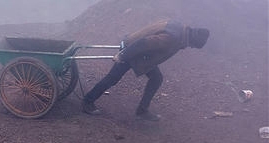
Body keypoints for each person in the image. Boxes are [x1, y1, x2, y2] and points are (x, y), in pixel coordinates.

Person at [82, 20, 210, 120]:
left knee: (156, 78)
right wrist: (122, 55)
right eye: (192, 46)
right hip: (133, 51)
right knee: (112, 78)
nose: (189, 47)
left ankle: (142, 111)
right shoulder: (172, 38)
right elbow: (143, 43)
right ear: (191, 40)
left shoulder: (180, 27)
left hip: (143, 56)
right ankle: (88, 101)